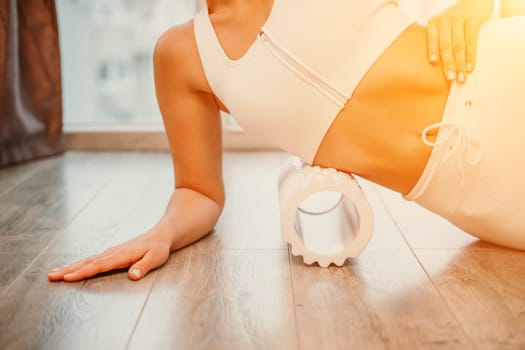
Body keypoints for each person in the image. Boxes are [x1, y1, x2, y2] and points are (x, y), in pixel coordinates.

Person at [48, 0, 525, 282]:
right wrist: (162, 233)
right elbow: (199, 192)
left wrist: (478, 4)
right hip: (484, 202)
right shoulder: (180, 57)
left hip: (506, 73)